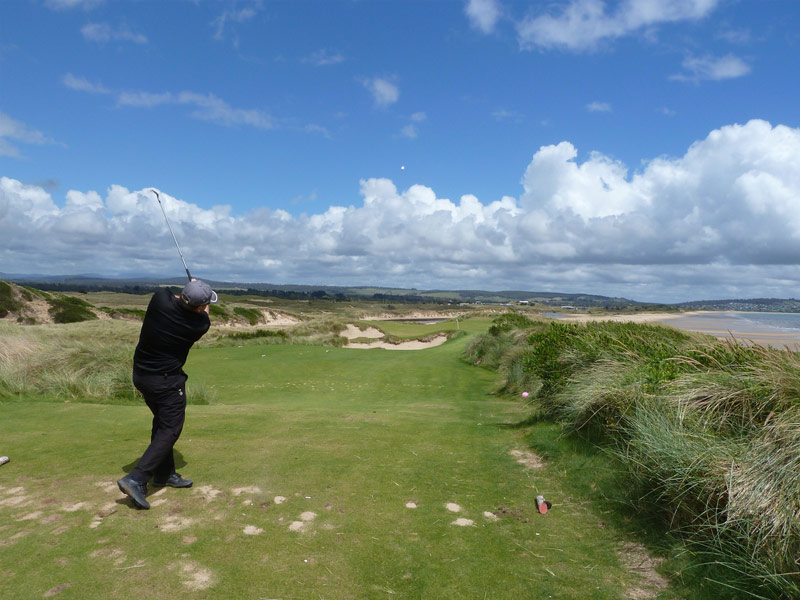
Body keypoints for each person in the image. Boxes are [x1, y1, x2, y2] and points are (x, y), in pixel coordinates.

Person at [117, 279, 217, 510]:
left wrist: (191, 286)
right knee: (171, 428)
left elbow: (172, 295)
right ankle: (137, 478)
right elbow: (203, 313)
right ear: (200, 307)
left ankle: (164, 474)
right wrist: (198, 293)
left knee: (161, 422)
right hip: (166, 382)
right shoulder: (199, 325)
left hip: (141, 376)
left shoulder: (159, 300)